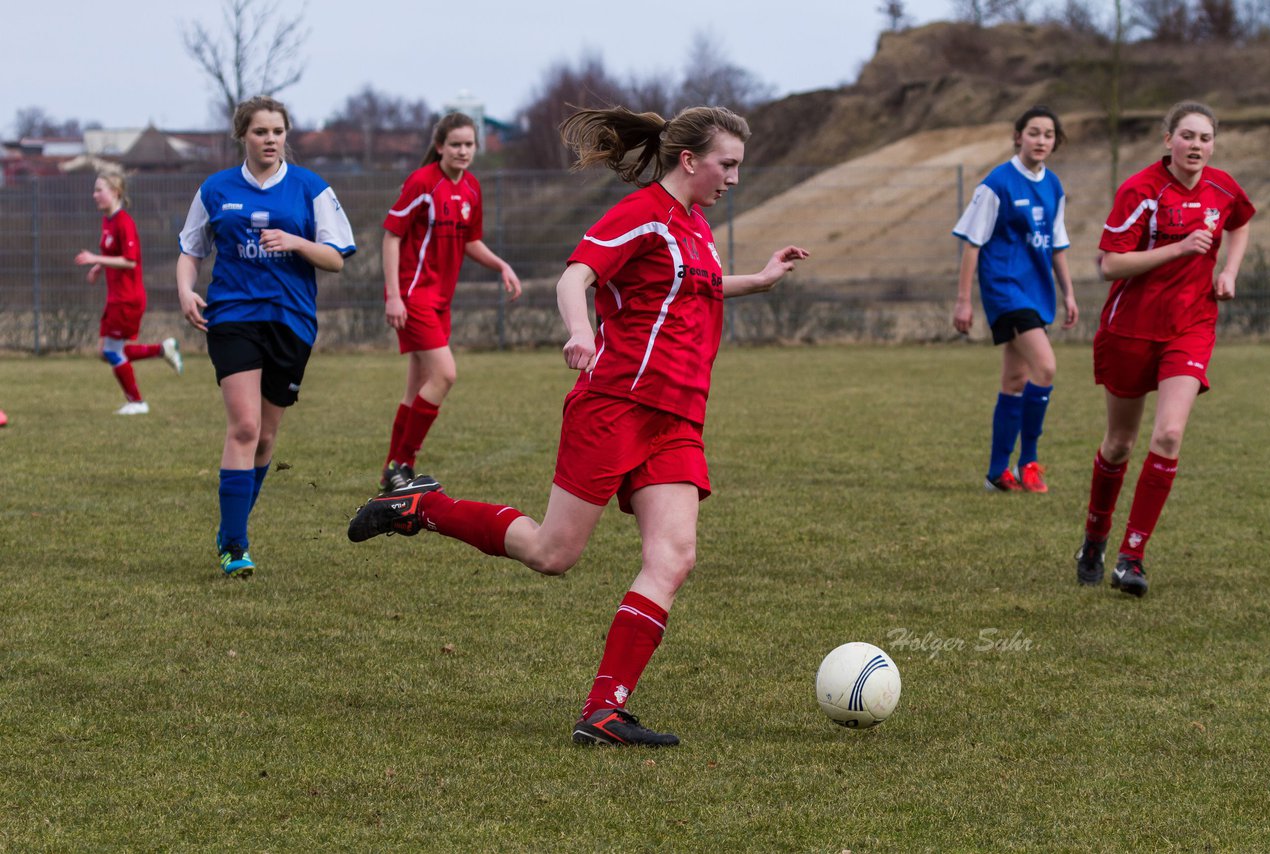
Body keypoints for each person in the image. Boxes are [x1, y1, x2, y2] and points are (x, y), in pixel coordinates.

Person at [348, 105, 809, 746]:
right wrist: (580, 330)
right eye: (726, 164)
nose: (734, 177)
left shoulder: (696, 226)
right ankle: (421, 506)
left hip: (676, 416)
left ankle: (603, 712)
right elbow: (576, 276)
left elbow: (691, 288)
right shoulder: (642, 212)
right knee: (552, 552)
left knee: (673, 558)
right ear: (689, 160)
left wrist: (756, 280)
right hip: (617, 402)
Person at [1075, 101, 1253, 596]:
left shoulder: (1222, 188)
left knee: (1170, 434)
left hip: (1190, 326)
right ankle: (1095, 537)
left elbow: (1239, 222)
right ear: (1167, 141)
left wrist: (1229, 270)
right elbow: (1109, 265)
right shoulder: (1141, 190)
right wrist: (1179, 248)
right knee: (1119, 444)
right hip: (1130, 330)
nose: (1197, 145)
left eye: (1206, 138)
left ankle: (1131, 558)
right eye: (1188, 136)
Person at [177, 96, 356, 578]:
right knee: (245, 427)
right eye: (260, 131)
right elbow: (190, 250)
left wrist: (298, 242)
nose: (270, 139)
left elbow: (337, 258)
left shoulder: (310, 188)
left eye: (278, 131)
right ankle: (235, 545)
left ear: (286, 136)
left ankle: (230, 527)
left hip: (291, 321)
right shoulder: (215, 189)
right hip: (233, 316)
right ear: (243, 136)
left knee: (267, 437)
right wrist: (185, 290)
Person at [377, 112, 521, 492]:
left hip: (441, 300)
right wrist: (393, 296)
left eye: (469, 144)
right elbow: (391, 236)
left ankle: (393, 474)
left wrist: (500, 264)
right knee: (445, 375)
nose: (462, 151)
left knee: (416, 389)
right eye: (455, 144)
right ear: (440, 146)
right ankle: (402, 464)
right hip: (413, 296)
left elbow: (470, 240)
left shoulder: (471, 187)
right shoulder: (422, 183)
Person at [952, 106, 1078, 493]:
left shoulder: (1053, 185)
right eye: (1034, 133)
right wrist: (963, 301)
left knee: (1015, 379)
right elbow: (973, 245)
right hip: (1006, 290)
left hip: (1036, 291)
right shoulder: (997, 184)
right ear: (1018, 136)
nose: (1041, 140)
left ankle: (996, 472)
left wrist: (1069, 293)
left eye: (1049, 135)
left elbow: (1056, 246)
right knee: (1046, 367)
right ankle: (1028, 462)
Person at [74, 171, 184, 414]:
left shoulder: (124, 222)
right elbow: (113, 254)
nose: (94, 195)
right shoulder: (108, 221)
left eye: (99, 190)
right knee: (105, 352)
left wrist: (96, 257)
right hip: (115, 298)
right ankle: (162, 350)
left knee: (111, 351)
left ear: (115, 192)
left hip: (127, 298)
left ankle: (137, 402)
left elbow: (130, 261)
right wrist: (98, 267)